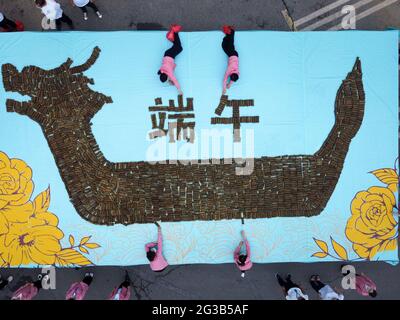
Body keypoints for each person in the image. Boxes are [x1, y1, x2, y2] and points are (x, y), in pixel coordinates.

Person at [158, 24, 183, 95]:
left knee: (179, 48)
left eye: (167, 79)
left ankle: (175, 31)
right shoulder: (162, 71)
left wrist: (179, 90)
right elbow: (164, 74)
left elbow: (175, 80)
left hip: (170, 56)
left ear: (167, 76)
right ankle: (171, 36)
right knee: (176, 46)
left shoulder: (169, 72)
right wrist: (169, 81)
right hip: (167, 55)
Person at [221, 25, 239, 94]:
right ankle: (231, 32)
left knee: (229, 45)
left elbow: (232, 79)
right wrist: (224, 89)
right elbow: (225, 79)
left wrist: (229, 84)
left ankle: (229, 34)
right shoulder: (230, 69)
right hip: (232, 55)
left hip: (235, 55)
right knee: (225, 45)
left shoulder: (237, 73)